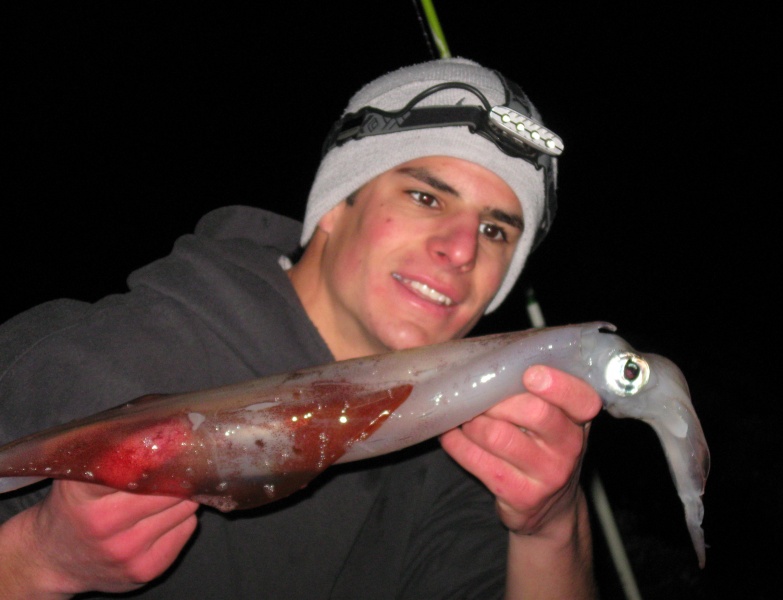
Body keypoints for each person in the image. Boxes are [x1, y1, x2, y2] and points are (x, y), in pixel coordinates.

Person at [0, 57, 602, 598]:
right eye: (426, 198)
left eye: (496, 231)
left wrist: (550, 528)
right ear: (338, 204)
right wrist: (38, 559)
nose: (461, 250)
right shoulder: (86, 356)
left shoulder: (463, 453)